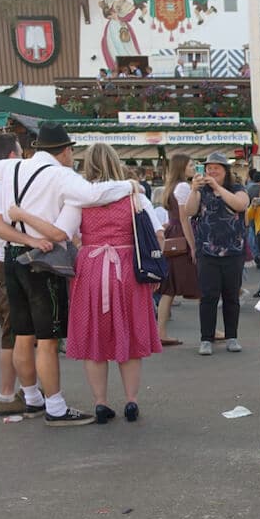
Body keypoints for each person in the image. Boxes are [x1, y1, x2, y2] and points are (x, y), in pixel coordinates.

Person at [0, 122, 137, 426]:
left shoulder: (13, 167)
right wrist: (129, 186)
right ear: (66, 151)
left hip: (13, 255)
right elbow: (93, 195)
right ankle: (55, 406)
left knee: (22, 335)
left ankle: (31, 398)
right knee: (47, 339)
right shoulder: (61, 175)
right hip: (43, 259)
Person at [22, 143, 163, 424]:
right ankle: (131, 400)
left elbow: (62, 233)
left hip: (90, 268)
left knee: (95, 336)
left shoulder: (79, 200)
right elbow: (157, 233)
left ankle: (100, 402)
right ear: (115, 162)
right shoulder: (135, 194)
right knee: (131, 335)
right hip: (127, 269)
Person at [183, 151, 249, 355]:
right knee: (209, 296)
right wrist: (194, 190)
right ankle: (206, 338)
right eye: (208, 168)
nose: (211, 171)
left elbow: (240, 204)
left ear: (225, 171)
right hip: (207, 251)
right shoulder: (201, 191)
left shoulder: (237, 188)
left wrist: (217, 187)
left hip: (233, 251)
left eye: (216, 169)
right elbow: (189, 211)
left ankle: (232, 336)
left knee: (231, 295)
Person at [0, 133, 33, 417]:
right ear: (13, 157)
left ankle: (26, 390)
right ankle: (6, 395)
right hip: (3, 261)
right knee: (12, 332)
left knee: (17, 330)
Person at [155, 154, 200, 345]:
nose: (193, 167)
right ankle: (210, 328)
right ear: (182, 167)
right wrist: (192, 245)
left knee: (169, 288)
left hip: (172, 236)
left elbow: (172, 217)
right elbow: (184, 218)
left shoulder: (169, 188)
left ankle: (161, 332)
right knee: (200, 284)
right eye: (191, 164)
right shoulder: (183, 187)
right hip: (182, 235)